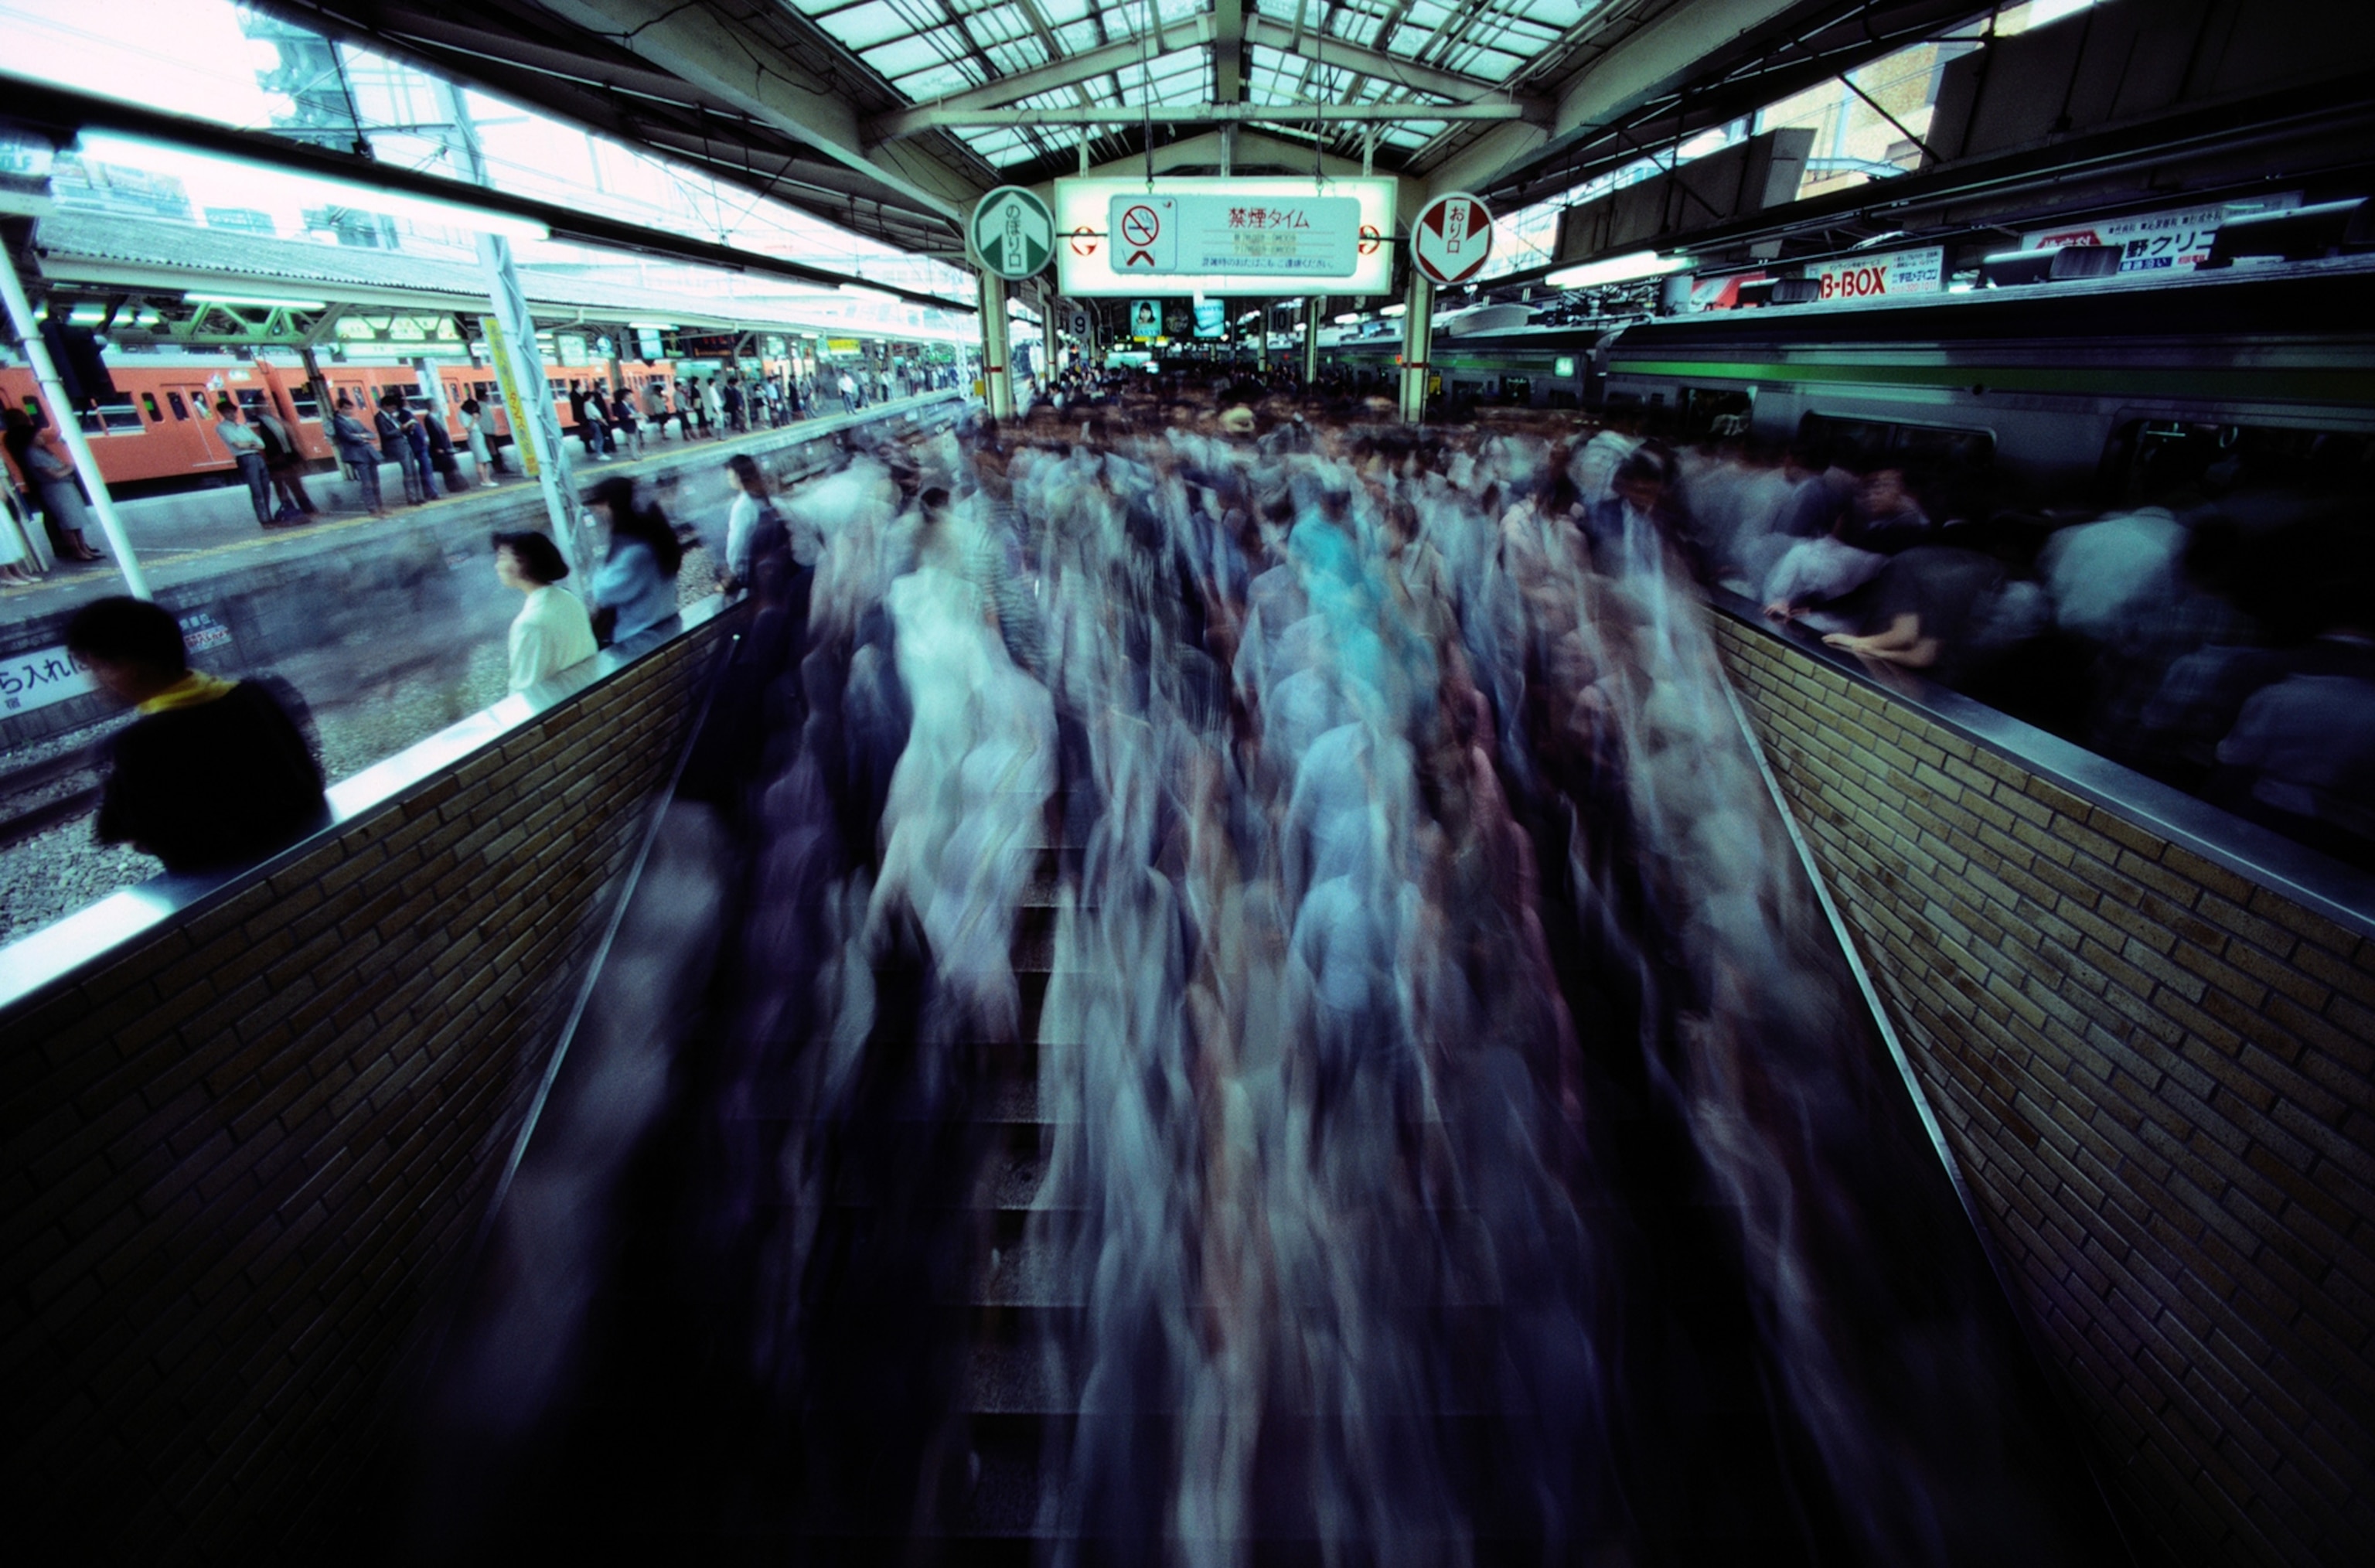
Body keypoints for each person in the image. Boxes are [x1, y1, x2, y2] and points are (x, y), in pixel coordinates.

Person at [65, 595, 328, 875]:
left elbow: (148, 840)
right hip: (318, 863)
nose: (91, 681)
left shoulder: (137, 745)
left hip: (235, 895)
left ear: (129, 667)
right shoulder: (260, 693)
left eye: (92, 666)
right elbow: (309, 782)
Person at [492, 529, 600, 692]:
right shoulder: (567, 598)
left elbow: (524, 691)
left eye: (502, 557)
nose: (497, 566)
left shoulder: (529, 623)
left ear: (523, 562)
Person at [584, 475, 682, 644]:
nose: (599, 512)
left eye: (601, 506)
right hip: (665, 626)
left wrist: (598, 570)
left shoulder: (636, 552)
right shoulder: (657, 538)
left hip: (641, 639)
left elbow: (604, 593)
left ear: (613, 505)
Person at [1, 407, 104, 560]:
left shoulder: (11, 439)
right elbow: (52, 472)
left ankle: (67, 547)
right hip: (49, 485)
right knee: (64, 518)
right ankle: (73, 548)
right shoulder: (29, 445)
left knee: (56, 516)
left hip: (35, 480)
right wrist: (68, 468)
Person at [213, 398, 277, 527]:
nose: (232, 414)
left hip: (258, 458)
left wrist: (249, 444)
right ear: (223, 414)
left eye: (233, 412)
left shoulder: (243, 427)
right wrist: (252, 444)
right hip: (245, 459)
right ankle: (264, 519)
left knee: (266, 488)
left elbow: (262, 445)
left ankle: (269, 515)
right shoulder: (222, 428)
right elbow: (238, 445)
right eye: (227, 412)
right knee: (256, 490)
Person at [252, 401, 315, 521]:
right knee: (284, 485)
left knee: (292, 484)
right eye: (262, 405)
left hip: (285, 457)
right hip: (275, 458)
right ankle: (294, 508)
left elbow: (292, 437)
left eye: (266, 405)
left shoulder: (276, 421)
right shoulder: (260, 423)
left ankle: (303, 508)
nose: (266, 407)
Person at [329, 394, 386, 516]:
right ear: (340, 409)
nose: (349, 411)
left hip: (369, 454)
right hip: (357, 456)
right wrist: (362, 437)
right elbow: (348, 437)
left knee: (375, 482)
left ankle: (380, 506)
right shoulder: (337, 422)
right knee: (367, 483)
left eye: (350, 408)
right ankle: (372, 508)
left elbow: (372, 435)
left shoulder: (356, 421)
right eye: (346, 408)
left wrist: (360, 436)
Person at [376, 391, 425, 505]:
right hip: (396, 446)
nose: (394, 410)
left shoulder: (392, 416)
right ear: (385, 406)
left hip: (405, 444)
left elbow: (399, 428)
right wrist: (400, 429)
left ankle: (419, 496)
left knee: (414, 471)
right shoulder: (380, 418)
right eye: (392, 408)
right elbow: (385, 434)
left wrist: (409, 428)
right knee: (408, 472)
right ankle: (412, 498)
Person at [458, 397, 496, 486]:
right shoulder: (462, 414)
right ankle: (484, 480)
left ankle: (487, 479)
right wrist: (474, 419)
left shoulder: (469, 414)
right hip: (474, 437)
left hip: (479, 436)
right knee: (480, 459)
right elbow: (468, 428)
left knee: (485, 459)